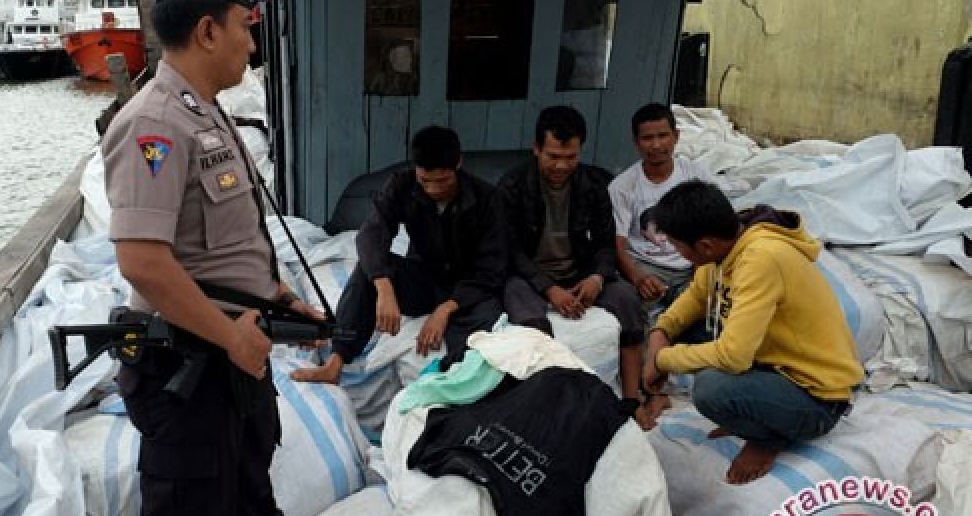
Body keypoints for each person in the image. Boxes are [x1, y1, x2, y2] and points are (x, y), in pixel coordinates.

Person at [102, 0, 352, 516]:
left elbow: (218, 240)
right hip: (189, 360)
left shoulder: (205, 111)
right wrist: (231, 333)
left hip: (233, 342)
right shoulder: (150, 123)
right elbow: (144, 262)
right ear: (208, 28)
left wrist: (277, 299)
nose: (253, 44)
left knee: (249, 460)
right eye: (246, 28)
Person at [641, 181, 864, 485]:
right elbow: (696, 296)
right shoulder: (725, 248)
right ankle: (757, 410)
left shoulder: (760, 258)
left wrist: (662, 359)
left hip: (815, 399)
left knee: (710, 389)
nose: (677, 253)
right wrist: (660, 332)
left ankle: (768, 438)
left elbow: (734, 357)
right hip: (773, 369)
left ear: (704, 245)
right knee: (687, 331)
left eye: (678, 246)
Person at [292, 126, 507, 384]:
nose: (433, 190)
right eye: (425, 180)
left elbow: (492, 269)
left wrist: (445, 310)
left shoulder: (487, 198)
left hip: (469, 289)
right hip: (424, 280)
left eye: (442, 181)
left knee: (485, 325)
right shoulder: (401, 185)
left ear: (458, 164)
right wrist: (383, 286)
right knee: (368, 269)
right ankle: (336, 362)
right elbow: (372, 233)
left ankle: (455, 378)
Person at [497, 105, 655, 428]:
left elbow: (605, 243)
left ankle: (630, 400)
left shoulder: (595, 183)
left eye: (570, 157)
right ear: (536, 148)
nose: (562, 165)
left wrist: (597, 278)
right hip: (529, 276)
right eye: (553, 156)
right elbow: (510, 251)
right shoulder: (512, 186)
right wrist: (548, 288)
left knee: (627, 299)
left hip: (579, 271)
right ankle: (540, 406)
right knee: (526, 316)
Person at [609, 103, 715, 314]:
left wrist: (701, 271)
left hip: (692, 266)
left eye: (663, 135)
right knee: (633, 315)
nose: (656, 145)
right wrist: (638, 278)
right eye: (647, 138)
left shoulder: (697, 176)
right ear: (636, 143)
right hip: (646, 266)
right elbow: (618, 245)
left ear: (676, 136)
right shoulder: (622, 186)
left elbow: (713, 229)